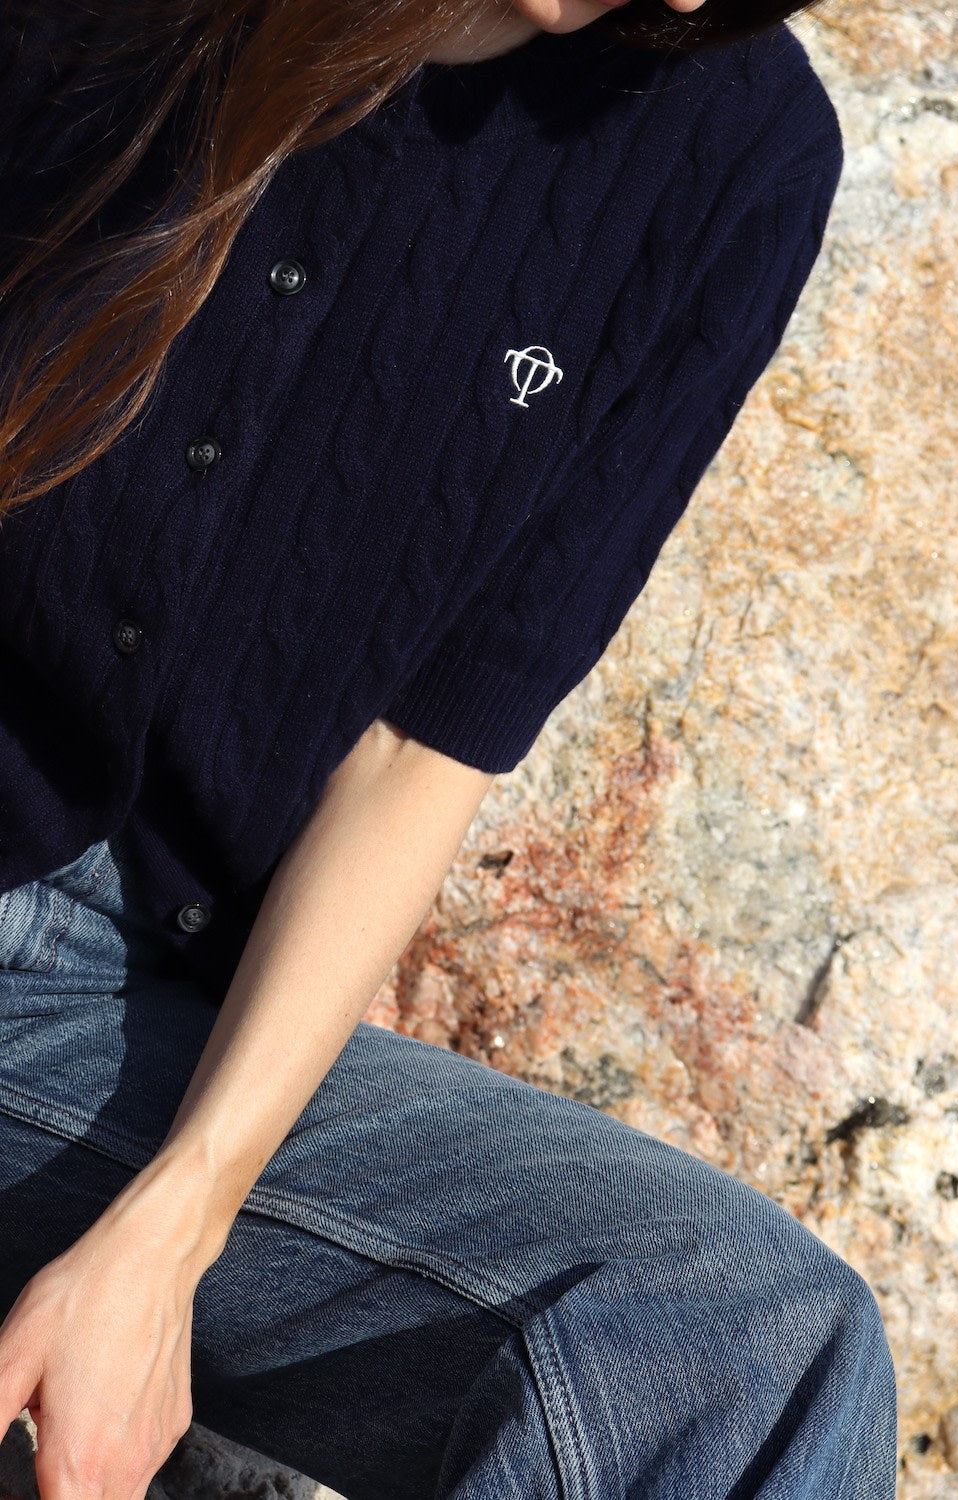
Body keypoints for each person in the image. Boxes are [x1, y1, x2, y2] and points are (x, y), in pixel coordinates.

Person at [0, 0, 898, 1495]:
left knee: (755, 1350)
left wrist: (173, 1227)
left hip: (150, 1026)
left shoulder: (737, 156)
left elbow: (421, 751)